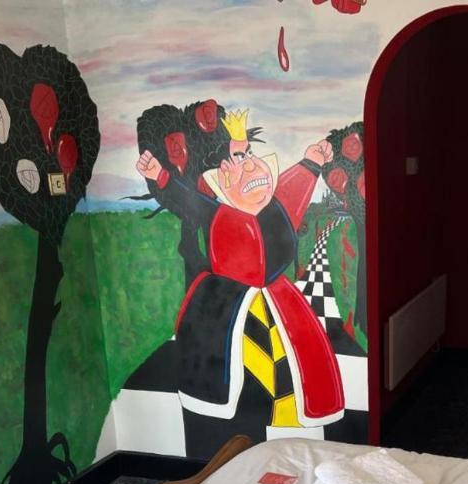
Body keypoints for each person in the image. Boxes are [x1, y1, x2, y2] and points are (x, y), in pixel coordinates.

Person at [135, 107, 344, 438]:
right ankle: (232, 428)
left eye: (248, 155)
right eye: (235, 160)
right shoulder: (216, 214)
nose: (249, 165)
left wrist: (313, 160)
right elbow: (184, 197)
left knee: (294, 364)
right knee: (230, 371)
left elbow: (297, 184)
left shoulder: (277, 206)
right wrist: (160, 176)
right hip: (224, 306)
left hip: (280, 302)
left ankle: (286, 414)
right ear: (219, 182)